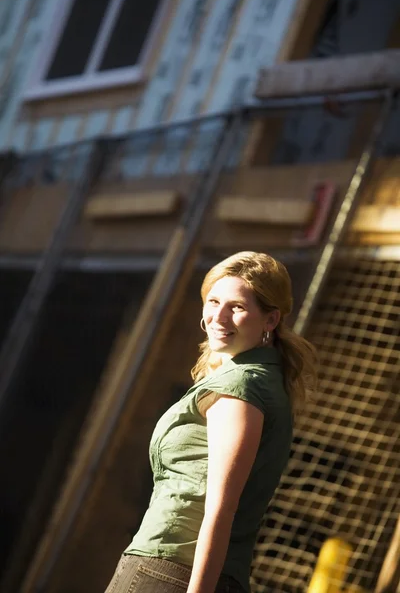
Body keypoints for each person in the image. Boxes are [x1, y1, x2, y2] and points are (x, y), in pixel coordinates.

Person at [105, 251, 318, 593]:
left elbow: (220, 509)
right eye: (214, 301)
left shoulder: (241, 386)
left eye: (237, 306)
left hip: (171, 571)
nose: (219, 316)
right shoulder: (258, 376)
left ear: (270, 320)